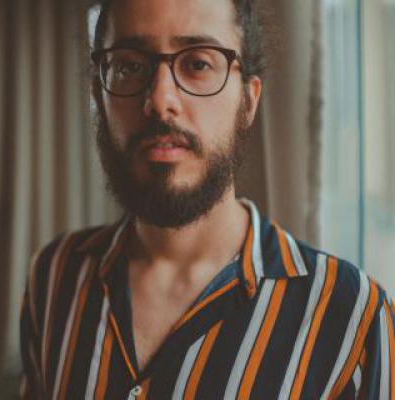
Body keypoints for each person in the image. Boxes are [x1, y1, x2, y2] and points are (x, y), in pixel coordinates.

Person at [20, 0, 395, 398]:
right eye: (129, 66)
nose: (160, 99)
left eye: (198, 64)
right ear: (99, 93)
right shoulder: (54, 276)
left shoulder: (352, 318)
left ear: (248, 100)